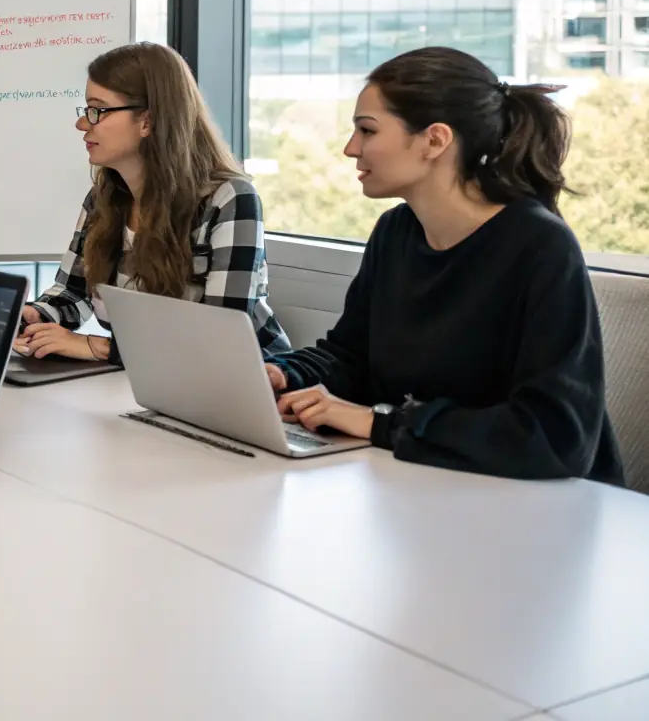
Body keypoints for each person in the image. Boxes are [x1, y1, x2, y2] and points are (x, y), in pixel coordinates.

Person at [267, 47, 624, 484]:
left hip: (545, 513)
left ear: (435, 140)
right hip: (430, 490)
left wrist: (380, 424)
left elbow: (553, 435)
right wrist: (283, 374)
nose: (350, 148)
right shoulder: (396, 231)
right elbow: (350, 359)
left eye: (366, 130)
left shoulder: (540, 246)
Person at [15, 43, 290, 364]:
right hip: (141, 377)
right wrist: (33, 317)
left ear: (148, 120)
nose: (82, 124)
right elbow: (72, 292)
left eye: (97, 110)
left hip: (244, 384)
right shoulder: (103, 198)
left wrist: (97, 347)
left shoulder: (230, 199)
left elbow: (222, 337)